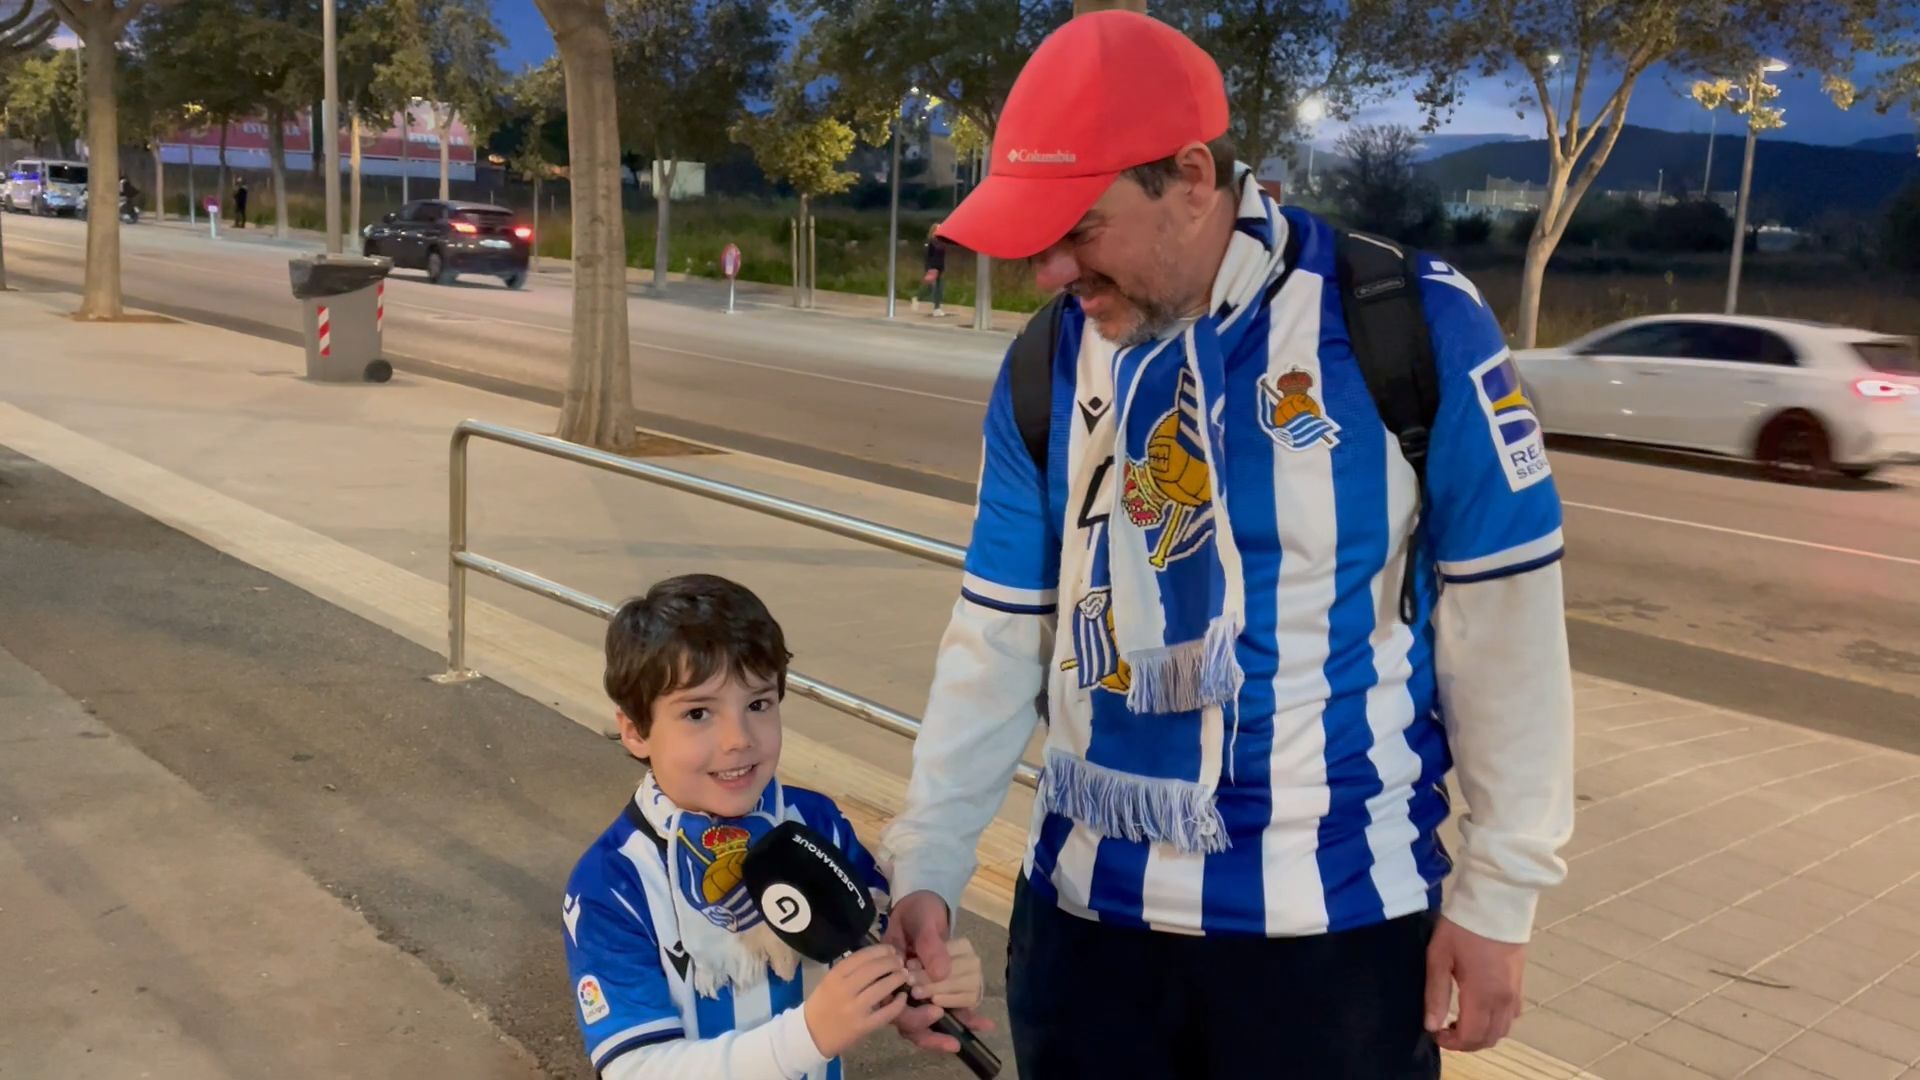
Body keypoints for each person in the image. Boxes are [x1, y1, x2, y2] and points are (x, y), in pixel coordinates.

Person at [879, 11, 1573, 1078]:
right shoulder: (1044, 368)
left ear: (1192, 177)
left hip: (1335, 947)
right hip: (1085, 941)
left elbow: (1508, 629)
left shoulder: (1406, 327)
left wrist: (1501, 896)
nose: (1051, 270)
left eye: (1083, 226)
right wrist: (925, 861)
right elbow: (996, 636)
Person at [562, 574, 988, 1079]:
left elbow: (875, 942)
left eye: (759, 704)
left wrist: (924, 983)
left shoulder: (814, 822)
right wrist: (809, 1036)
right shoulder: (612, 883)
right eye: (698, 712)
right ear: (635, 730)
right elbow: (635, 1068)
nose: (738, 738)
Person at [916, 225, 949, 318]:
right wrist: (928, 268)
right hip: (933, 267)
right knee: (933, 288)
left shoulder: (941, 242)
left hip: (940, 267)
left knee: (939, 288)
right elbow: (927, 256)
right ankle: (935, 307)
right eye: (938, 228)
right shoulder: (930, 242)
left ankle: (936, 307)